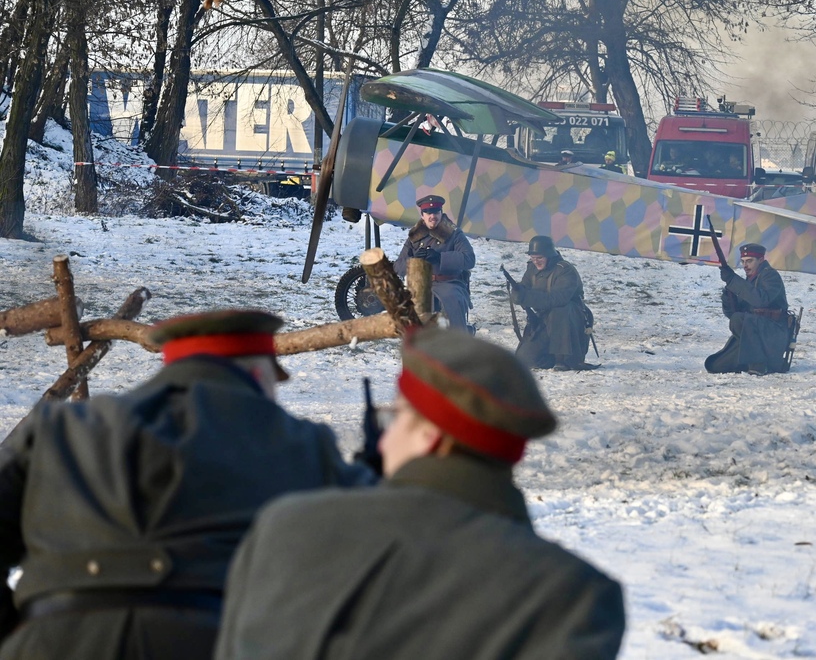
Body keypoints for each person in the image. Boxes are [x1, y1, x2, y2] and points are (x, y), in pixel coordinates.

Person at [213, 328, 626, 660]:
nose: (385, 438)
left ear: (430, 434)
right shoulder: (572, 596)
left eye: (394, 418)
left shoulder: (286, 526)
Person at [0, 309, 376, 660]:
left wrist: (20, 630)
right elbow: (376, 545)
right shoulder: (299, 441)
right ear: (259, 375)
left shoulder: (60, 429)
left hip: (51, 640)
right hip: (217, 639)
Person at [509, 235, 595, 371]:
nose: (536, 262)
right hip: (544, 319)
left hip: (570, 321)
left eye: (540, 258)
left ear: (549, 255)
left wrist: (527, 297)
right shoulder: (531, 269)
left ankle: (564, 359)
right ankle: (552, 358)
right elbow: (523, 288)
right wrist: (517, 294)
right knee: (525, 359)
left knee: (559, 309)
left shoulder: (565, 270)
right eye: (533, 258)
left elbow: (558, 299)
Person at [393, 194, 476, 333]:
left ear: (441, 213)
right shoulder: (415, 237)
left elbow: (469, 259)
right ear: (423, 215)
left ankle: (460, 341)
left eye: (436, 212)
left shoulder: (454, 234)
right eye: (428, 213)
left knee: (453, 302)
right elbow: (398, 266)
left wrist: (440, 257)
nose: (433, 216)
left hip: (449, 282)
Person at [705, 243, 791, 375]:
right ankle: (756, 360)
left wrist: (734, 281)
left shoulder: (770, 276)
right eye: (743, 261)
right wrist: (729, 293)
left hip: (773, 332)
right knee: (714, 366)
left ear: (761, 260)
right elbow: (732, 314)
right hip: (752, 334)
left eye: (749, 261)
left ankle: (760, 364)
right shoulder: (749, 280)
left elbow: (761, 300)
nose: (745, 265)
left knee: (739, 319)